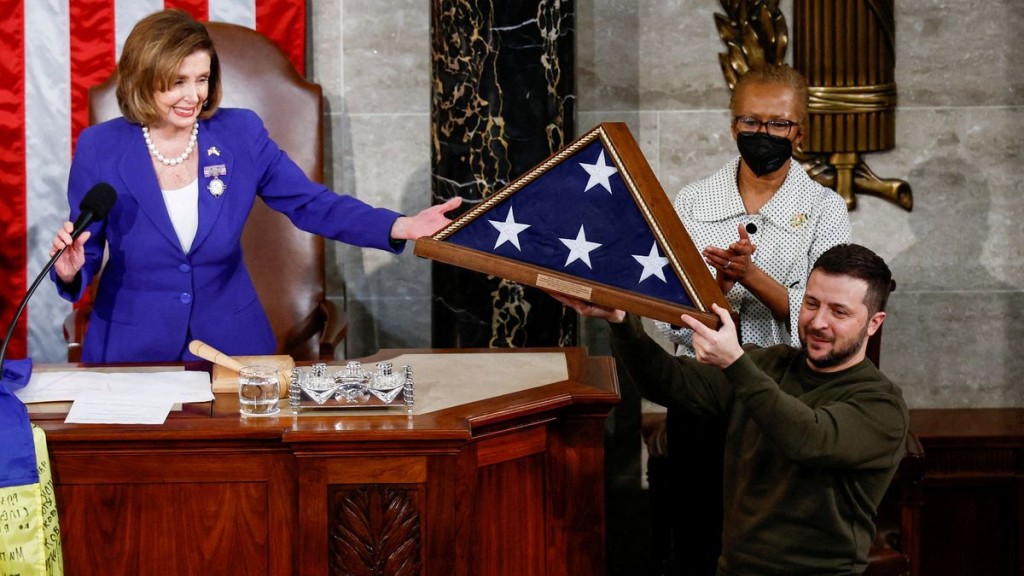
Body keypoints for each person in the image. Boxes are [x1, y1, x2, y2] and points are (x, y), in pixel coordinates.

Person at [48, 9, 460, 363]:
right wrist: (71, 271)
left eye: (202, 78)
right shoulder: (100, 147)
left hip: (232, 348)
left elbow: (312, 203)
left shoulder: (239, 134)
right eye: (177, 82)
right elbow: (87, 243)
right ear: (143, 78)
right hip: (132, 349)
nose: (193, 95)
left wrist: (398, 226)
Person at [553, 243, 908, 575]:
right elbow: (668, 382)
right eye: (811, 303)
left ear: (873, 323)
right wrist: (621, 321)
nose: (818, 322)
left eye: (839, 312)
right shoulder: (768, 364)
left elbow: (809, 438)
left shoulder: (881, 404)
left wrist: (736, 363)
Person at [653, 64, 852, 573]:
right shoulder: (694, 200)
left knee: (767, 537)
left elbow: (826, 320)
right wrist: (717, 288)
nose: (763, 134)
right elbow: (671, 314)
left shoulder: (825, 208)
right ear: (732, 125)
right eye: (751, 121)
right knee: (695, 533)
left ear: (800, 132)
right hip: (704, 387)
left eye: (778, 124)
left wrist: (753, 276)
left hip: (783, 390)